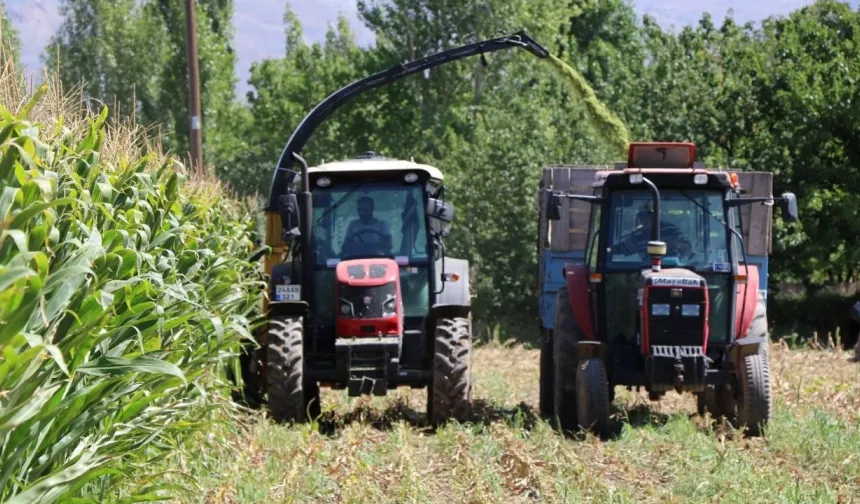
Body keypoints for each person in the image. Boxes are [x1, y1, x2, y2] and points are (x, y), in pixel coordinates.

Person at [611, 208, 692, 259]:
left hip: (673, 270)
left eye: (648, 216)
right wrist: (608, 250)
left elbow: (688, 248)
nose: (644, 219)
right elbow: (623, 248)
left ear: (655, 216)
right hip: (647, 270)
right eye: (641, 217)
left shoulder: (671, 230)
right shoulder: (637, 235)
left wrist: (676, 245)